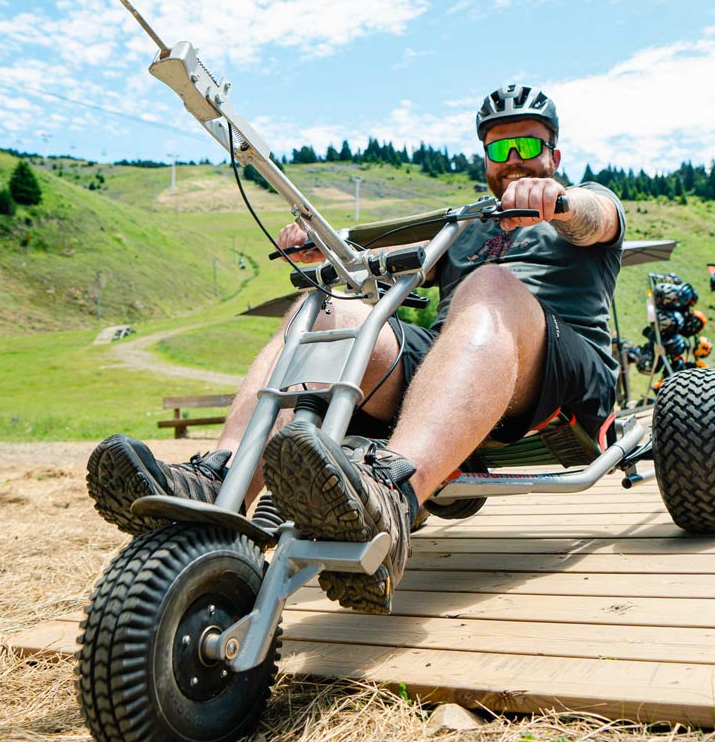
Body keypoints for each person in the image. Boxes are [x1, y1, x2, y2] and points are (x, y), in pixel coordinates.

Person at [85, 84, 626, 613]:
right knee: (324, 309)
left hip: (565, 375)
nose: (513, 159)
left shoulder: (587, 203)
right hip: (459, 372)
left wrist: (556, 203)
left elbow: (595, 219)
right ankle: (223, 477)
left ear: (554, 153)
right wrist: (320, 243)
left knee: (487, 286)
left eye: (528, 146)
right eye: (499, 148)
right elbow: (377, 258)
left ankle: (394, 494)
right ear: (484, 157)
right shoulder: (464, 225)